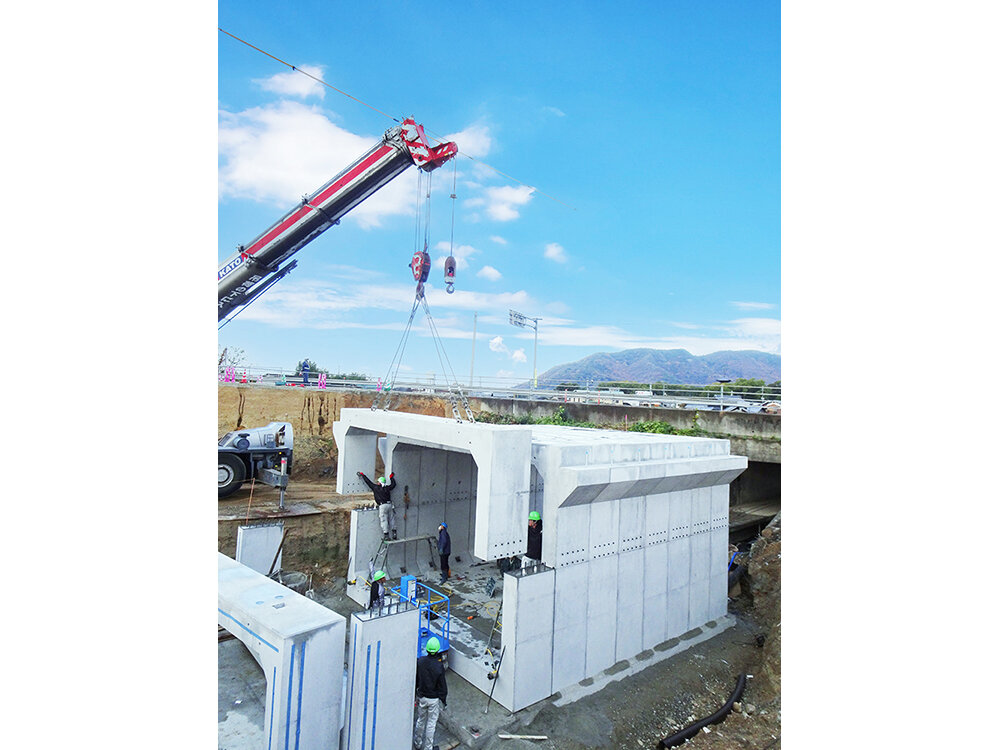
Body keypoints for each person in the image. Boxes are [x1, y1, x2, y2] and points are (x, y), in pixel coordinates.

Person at [413, 636, 447, 750]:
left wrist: (415, 693)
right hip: (433, 699)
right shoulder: (438, 666)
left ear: (427, 649)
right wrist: (444, 700)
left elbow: (417, 678)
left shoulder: (421, 661)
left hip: (422, 696)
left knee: (421, 720)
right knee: (431, 724)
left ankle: (417, 743)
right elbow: (442, 685)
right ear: (437, 650)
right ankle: (428, 747)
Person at [358, 471, 398, 539]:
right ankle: (394, 533)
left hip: (382, 506)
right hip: (389, 505)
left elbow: (368, 482)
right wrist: (391, 477)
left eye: (378, 481)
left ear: (379, 482)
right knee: (391, 519)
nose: (377, 482)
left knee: (384, 520)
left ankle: (386, 535)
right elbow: (393, 484)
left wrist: (363, 475)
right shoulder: (387, 488)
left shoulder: (375, 488)